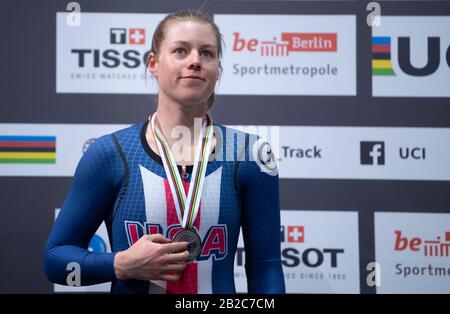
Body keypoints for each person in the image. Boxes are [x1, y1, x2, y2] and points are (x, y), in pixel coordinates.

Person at [44, 9, 285, 294]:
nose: (195, 61)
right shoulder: (112, 153)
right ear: (154, 63)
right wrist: (120, 264)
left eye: (206, 53)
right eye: (181, 51)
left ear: (218, 70)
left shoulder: (249, 154)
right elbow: (56, 260)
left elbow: (266, 267)